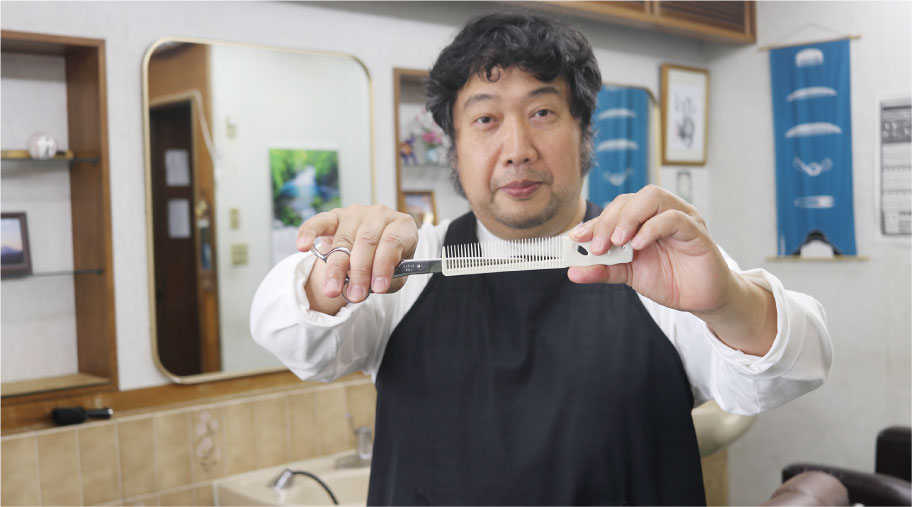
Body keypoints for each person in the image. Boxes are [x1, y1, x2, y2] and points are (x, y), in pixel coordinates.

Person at [251, 11, 832, 505]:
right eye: (485, 119)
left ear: (584, 133)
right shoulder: (407, 266)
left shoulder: (652, 257)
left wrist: (727, 301)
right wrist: (338, 269)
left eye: (543, 113)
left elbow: (794, 367)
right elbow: (292, 336)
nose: (517, 150)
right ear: (454, 147)